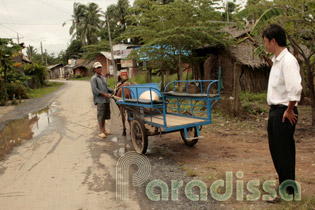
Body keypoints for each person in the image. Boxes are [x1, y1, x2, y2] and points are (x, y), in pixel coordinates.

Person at [262, 24, 302, 202]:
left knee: (284, 153)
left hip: (284, 112)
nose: (265, 45)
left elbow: (295, 88)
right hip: (275, 112)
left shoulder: (288, 60)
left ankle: (288, 193)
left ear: (273, 40)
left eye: (266, 42)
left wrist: (290, 109)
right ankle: (285, 189)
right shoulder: (277, 60)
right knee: (277, 152)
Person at [90, 62, 114, 138]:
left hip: (106, 100)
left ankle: (104, 130)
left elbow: (106, 88)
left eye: (100, 67)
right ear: (94, 69)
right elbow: (95, 90)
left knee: (104, 115)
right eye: (97, 68)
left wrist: (113, 91)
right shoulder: (94, 78)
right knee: (100, 115)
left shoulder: (103, 77)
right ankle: (100, 131)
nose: (99, 69)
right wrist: (104, 94)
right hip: (100, 100)